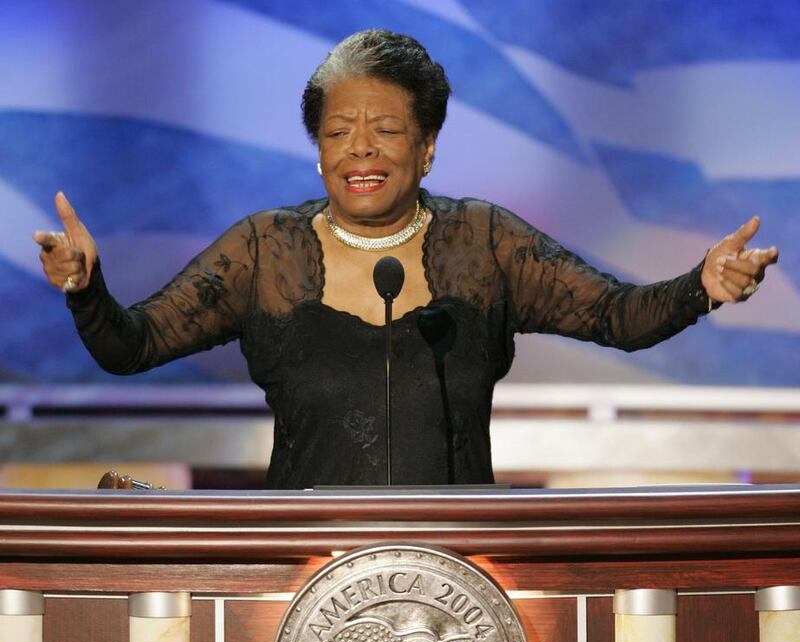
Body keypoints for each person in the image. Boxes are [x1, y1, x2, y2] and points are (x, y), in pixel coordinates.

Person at [33, 30, 778, 489]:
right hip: (304, 568)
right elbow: (132, 346)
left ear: (426, 148)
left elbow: (617, 316)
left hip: (458, 573)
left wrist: (699, 286)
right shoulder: (265, 249)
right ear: (318, 149)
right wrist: (86, 289)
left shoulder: (483, 243)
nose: (359, 148)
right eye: (337, 132)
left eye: (385, 129)